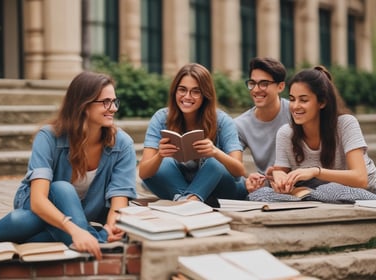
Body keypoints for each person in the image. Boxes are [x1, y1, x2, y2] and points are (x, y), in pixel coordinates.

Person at [0, 71, 137, 259]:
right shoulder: (49, 137)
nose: (113, 108)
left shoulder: (122, 144)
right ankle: (95, 240)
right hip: (39, 203)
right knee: (62, 188)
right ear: (83, 105)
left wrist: (112, 228)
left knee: (25, 221)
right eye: (105, 102)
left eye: (114, 101)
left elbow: (118, 203)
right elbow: (38, 201)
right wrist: (76, 230)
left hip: (79, 213)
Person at [249, 65, 376, 202]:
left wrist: (315, 171)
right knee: (258, 195)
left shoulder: (345, 124)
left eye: (303, 100)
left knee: (329, 189)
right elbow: (280, 171)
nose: (295, 106)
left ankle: (309, 195)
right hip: (316, 193)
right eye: (292, 99)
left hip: (364, 193)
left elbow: (361, 179)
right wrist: (279, 178)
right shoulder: (286, 133)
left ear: (322, 102)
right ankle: (308, 196)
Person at [138, 63, 250, 205]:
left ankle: (189, 200)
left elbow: (239, 171)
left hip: (222, 188)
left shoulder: (222, 121)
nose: (187, 97)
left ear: (205, 94)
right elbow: (143, 172)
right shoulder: (161, 118)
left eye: (196, 91)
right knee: (160, 164)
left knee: (214, 161)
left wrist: (215, 152)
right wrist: (160, 155)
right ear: (175, 92)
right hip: (179, 184)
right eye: (182, 90)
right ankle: (191, 200)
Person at [234, 57, 290, 192]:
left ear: (280, 86)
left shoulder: (296, 113)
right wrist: (248, 180)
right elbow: (233, 166)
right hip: (268, 191)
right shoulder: (240, 124)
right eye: (252, 83)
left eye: (264, 83)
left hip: (300, 184)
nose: (256, 89)